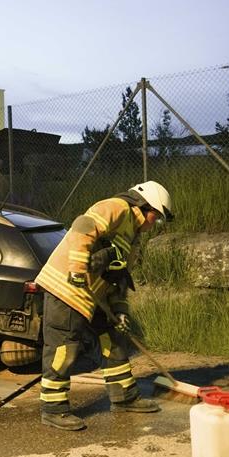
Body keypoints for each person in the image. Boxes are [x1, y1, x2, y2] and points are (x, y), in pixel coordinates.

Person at [35, 181, 174, 431]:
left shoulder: (132, 239)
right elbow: (83, 226)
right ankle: (53, 409)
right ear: (144, 205)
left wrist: (120, 312)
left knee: (113, 342)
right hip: (66, 288)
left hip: (93, 297)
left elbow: (119, 280)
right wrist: (77, 270)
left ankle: (124, 397)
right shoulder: (117, 207)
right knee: (63, 350)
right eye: (156, 217)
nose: (154, 224)